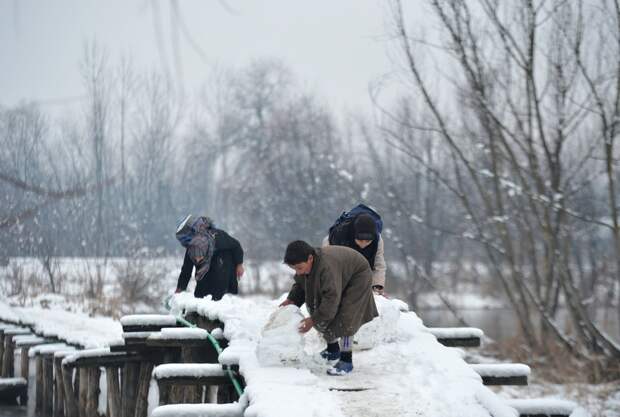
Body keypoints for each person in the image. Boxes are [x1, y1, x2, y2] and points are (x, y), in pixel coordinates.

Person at [280, 240, 378, 375]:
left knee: (347, 315)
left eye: (299, 268)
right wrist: (292, 300)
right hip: (341, 273)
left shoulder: (326, 268)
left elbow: (331, 300)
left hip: (358, 276)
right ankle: (333, 350)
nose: (298, 272)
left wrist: (313, 320)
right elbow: (301, 285)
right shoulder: (305, 266)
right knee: (317, 306)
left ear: (310, 258)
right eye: (294, 269)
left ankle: (346, 360)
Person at [175, 215, 244, 300]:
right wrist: (180, 288)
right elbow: (186, 270)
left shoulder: (218, 236)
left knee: (218, 302)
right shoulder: (192, 247)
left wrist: (239, 264)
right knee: (202, 302)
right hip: (205, 282)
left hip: (223, 278)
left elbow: (236, 245)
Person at [324, 210, 387, 295]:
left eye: (368, 241)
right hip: (341, 259)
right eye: (360, 240)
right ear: (354, 235)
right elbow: (328, 264)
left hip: (364, 266)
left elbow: (379, 265)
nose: (363, 244)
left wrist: (377, 286)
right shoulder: (338, 236)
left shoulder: (378, 240)